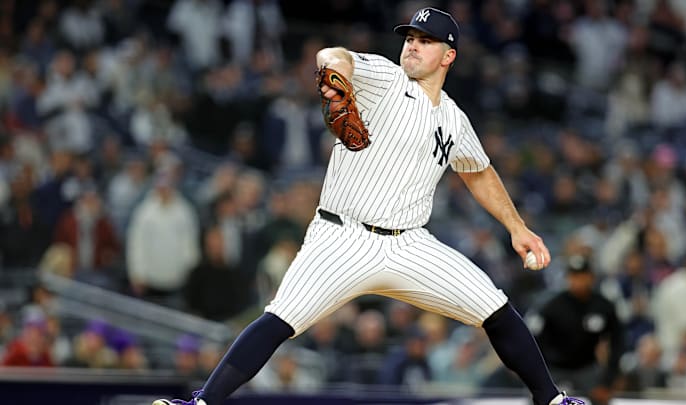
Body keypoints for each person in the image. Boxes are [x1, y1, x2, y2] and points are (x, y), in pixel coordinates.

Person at [153, 8, 582, 405]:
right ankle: (202, 403)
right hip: (342, 237)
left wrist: (516, 227)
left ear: (448, 55)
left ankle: (552, 399)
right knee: (279, 319)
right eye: (410, 37)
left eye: (426, 40)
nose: (412, 45)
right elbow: (332, 54)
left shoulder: (453, 118)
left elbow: (478, 172)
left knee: (495, 308)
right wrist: (335, 77)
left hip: (410, 244)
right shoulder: (386, 78)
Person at [527, 255, 623, 405]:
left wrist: (607, 381)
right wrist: (538, 377)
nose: (578, 281)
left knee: (602, 398)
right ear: (568, 278)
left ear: (591, 277)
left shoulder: (603, 306)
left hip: (587, 368)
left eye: (582, 276)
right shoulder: (553, 306)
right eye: (574, 276)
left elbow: (618, 342)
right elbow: (536, 340)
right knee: (539, 399)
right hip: (555, 368)